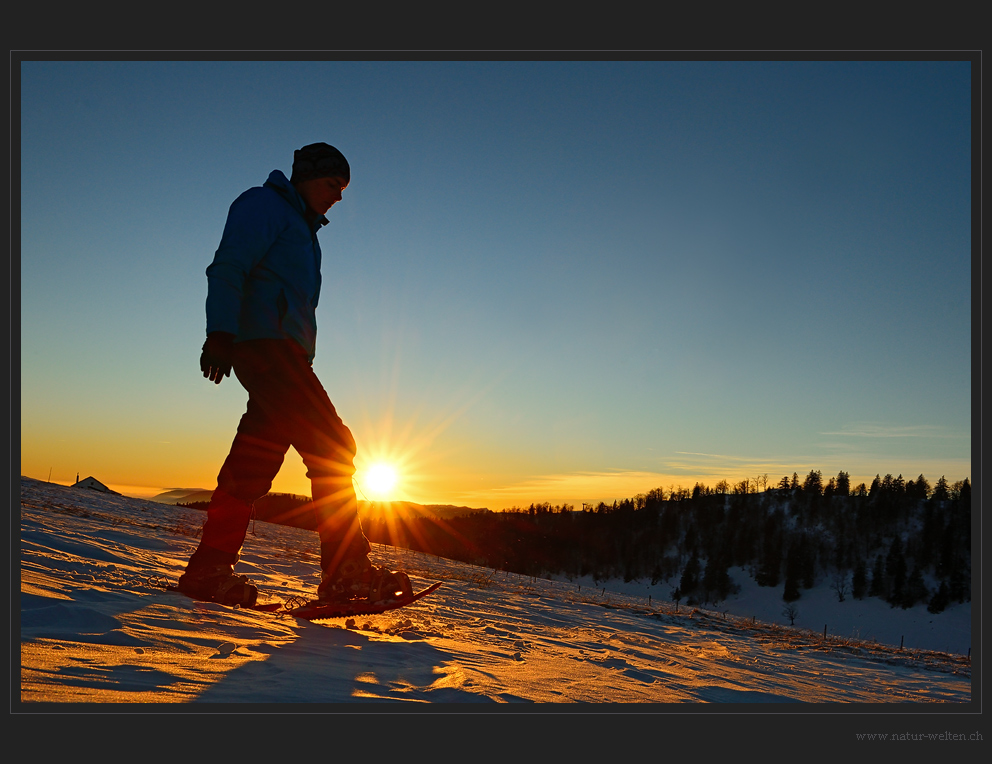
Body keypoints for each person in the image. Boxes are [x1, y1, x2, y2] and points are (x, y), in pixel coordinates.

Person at [177, 142, 411, 607]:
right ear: (305, 176)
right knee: (333, 444)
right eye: (332, 185)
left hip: (283, 354)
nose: (339, 197)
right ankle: (346, 571)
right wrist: (220, 331)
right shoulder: (264, 205)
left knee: (251, 466)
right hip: (266, 349)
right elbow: (228, 266)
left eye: (343, 189)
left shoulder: (305, 231)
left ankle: (208, 570)